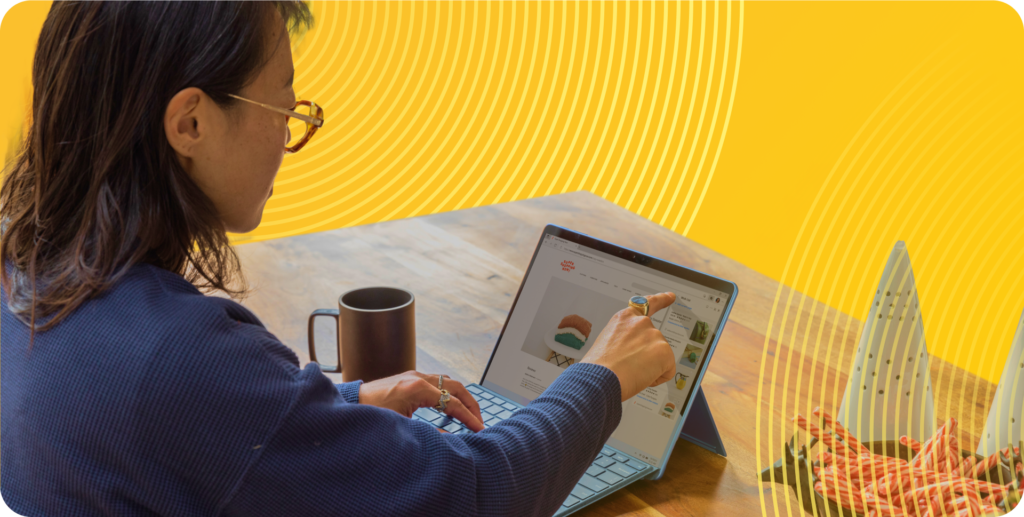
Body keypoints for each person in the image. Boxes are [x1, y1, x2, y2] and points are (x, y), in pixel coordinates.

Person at [0, 1, 678, 515]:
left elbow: (183, 438)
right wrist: (601, 377)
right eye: (280, 104)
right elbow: (476, 491)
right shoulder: (180, 358)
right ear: (191, 123)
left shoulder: (22, 264)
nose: (288, 129)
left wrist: (338, 410)